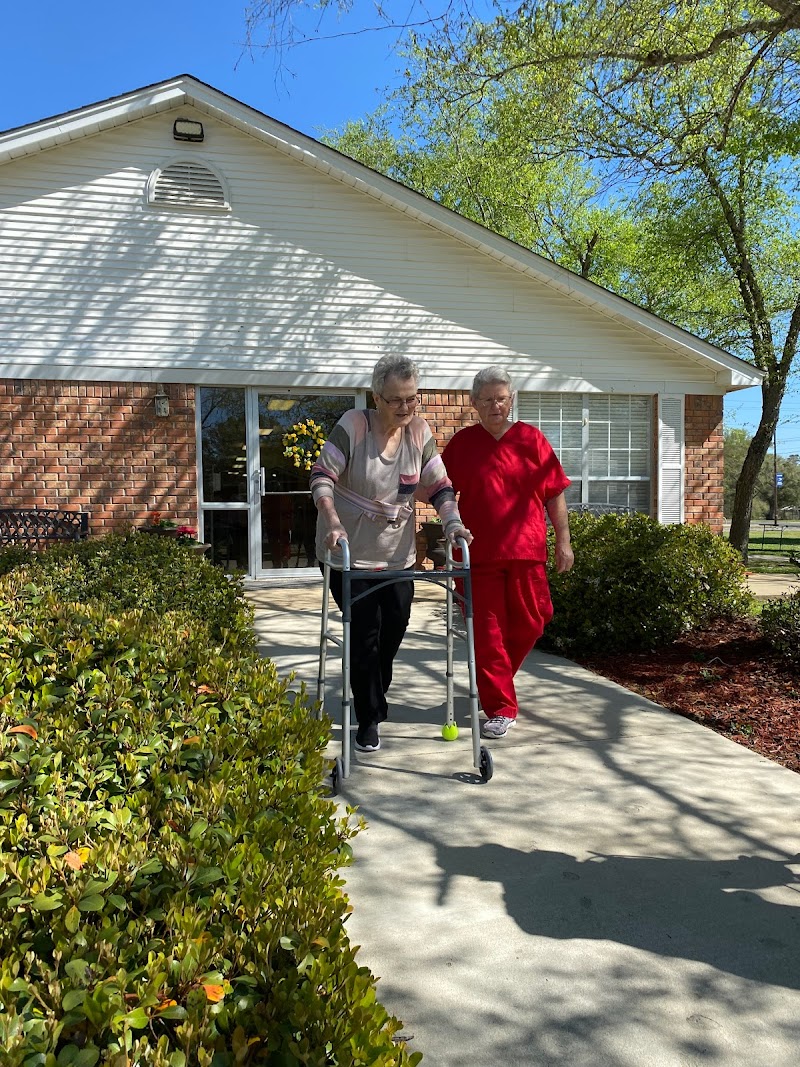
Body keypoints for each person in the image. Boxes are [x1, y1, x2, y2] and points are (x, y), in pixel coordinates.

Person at [311, 355, 471, 753]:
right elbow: (321, 476)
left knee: (395, 627)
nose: (405, 407)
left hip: (397, 555)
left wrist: (452, 523)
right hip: (347, 552)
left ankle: (374, 691)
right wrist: (331, 519)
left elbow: (439, 486)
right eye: (396, 400)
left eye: (412, 398)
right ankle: (367, 717)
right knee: (364, 634)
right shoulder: (354, 425)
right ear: (376, 397)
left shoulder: (419, 431)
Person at [442, 366, 574, 738]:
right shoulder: (462, 444)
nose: (495, 405)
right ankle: (500, 706)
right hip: (478, 556)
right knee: (488, 636)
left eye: (501, 398)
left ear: (511, 399)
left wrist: (563, 541)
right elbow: (438, 490)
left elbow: (554, 493)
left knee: (536, 619)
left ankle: (496, 683)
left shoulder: (532, 440)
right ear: (474, 403)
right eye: (487, 399)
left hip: (527, 552)